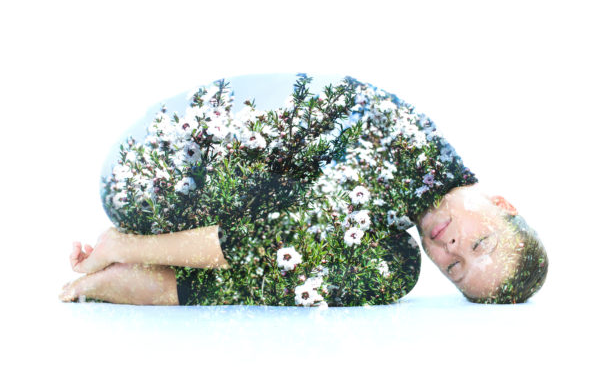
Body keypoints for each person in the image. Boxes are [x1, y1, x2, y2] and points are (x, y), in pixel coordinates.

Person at [59, 74, 548, 306]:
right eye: (480, 242)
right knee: (383, 267)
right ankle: (138, 267)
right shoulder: (396, 157)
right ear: (500, 204)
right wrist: (124, 245)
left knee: (388, 265)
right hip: (150, 179)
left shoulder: (413, 175)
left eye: (457, 270)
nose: (454, 250)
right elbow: (257, 242)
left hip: (183, 185)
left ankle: (143, 276)